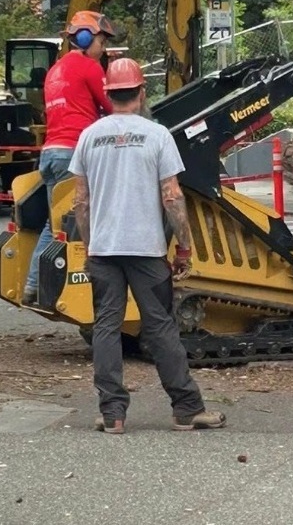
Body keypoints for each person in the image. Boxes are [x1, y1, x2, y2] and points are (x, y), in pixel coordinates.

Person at [69, 56, 225, 434]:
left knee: (106, 326)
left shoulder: (90, 136)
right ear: (141, 93)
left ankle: (113, 414)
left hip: (105, 250)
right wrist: (184, 246)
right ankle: (186, 409)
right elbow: (172, 197)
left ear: (108, 96)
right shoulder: (157, 135)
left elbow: (80, 202)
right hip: (147, 251)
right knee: (160, 328)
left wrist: (91, 245)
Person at [22, 10, 118, 306]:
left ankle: (34, 286)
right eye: (101, 41)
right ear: (86, 38)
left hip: (51, 153)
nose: (103, 48)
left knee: (56, 224)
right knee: (77, 221)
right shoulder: (88, 67)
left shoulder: (56, 71)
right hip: (73, 153)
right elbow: (115, 106)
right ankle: (56, 289)